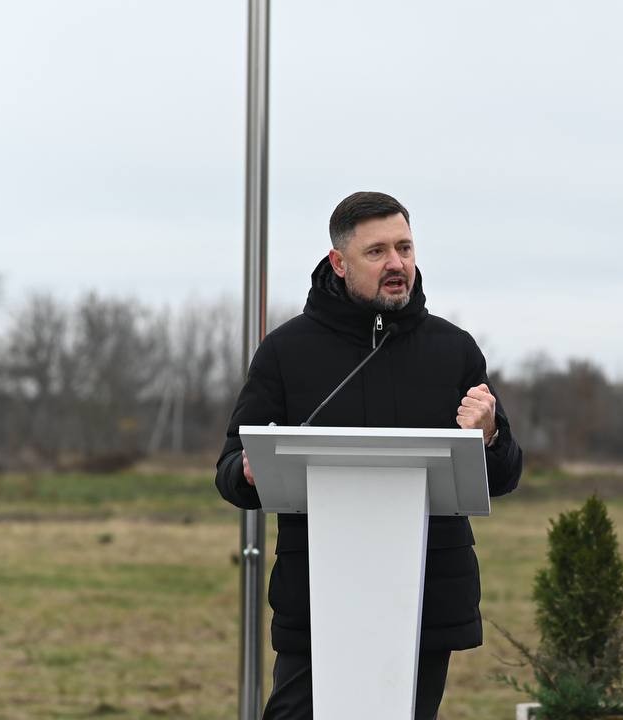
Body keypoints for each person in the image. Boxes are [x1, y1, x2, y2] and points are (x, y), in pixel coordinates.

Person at [214, 191, 523, 719]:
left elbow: (505, 475)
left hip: (423, 599)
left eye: (404, 247)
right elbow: (229, 470)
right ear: (339, 262)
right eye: (376, 252)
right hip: (318, 600)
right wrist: (248, 469)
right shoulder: (287, 352)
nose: (396, 263)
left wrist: (490, 435)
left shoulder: (453, 350)